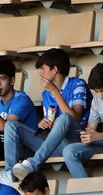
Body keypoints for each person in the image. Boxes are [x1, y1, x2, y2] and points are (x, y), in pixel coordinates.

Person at [8, 49, 89, 182]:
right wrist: (43, 123)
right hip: (55, 144)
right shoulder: (46, 94)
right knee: (11, 125)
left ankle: (33, 164)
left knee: (64, 118)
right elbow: (51, 122)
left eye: (43, 68)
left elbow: (74, 118)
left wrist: (55, 92)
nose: (40, 73)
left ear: (55, 69)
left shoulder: (77, 84)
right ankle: (9, 174)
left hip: (76, 141)